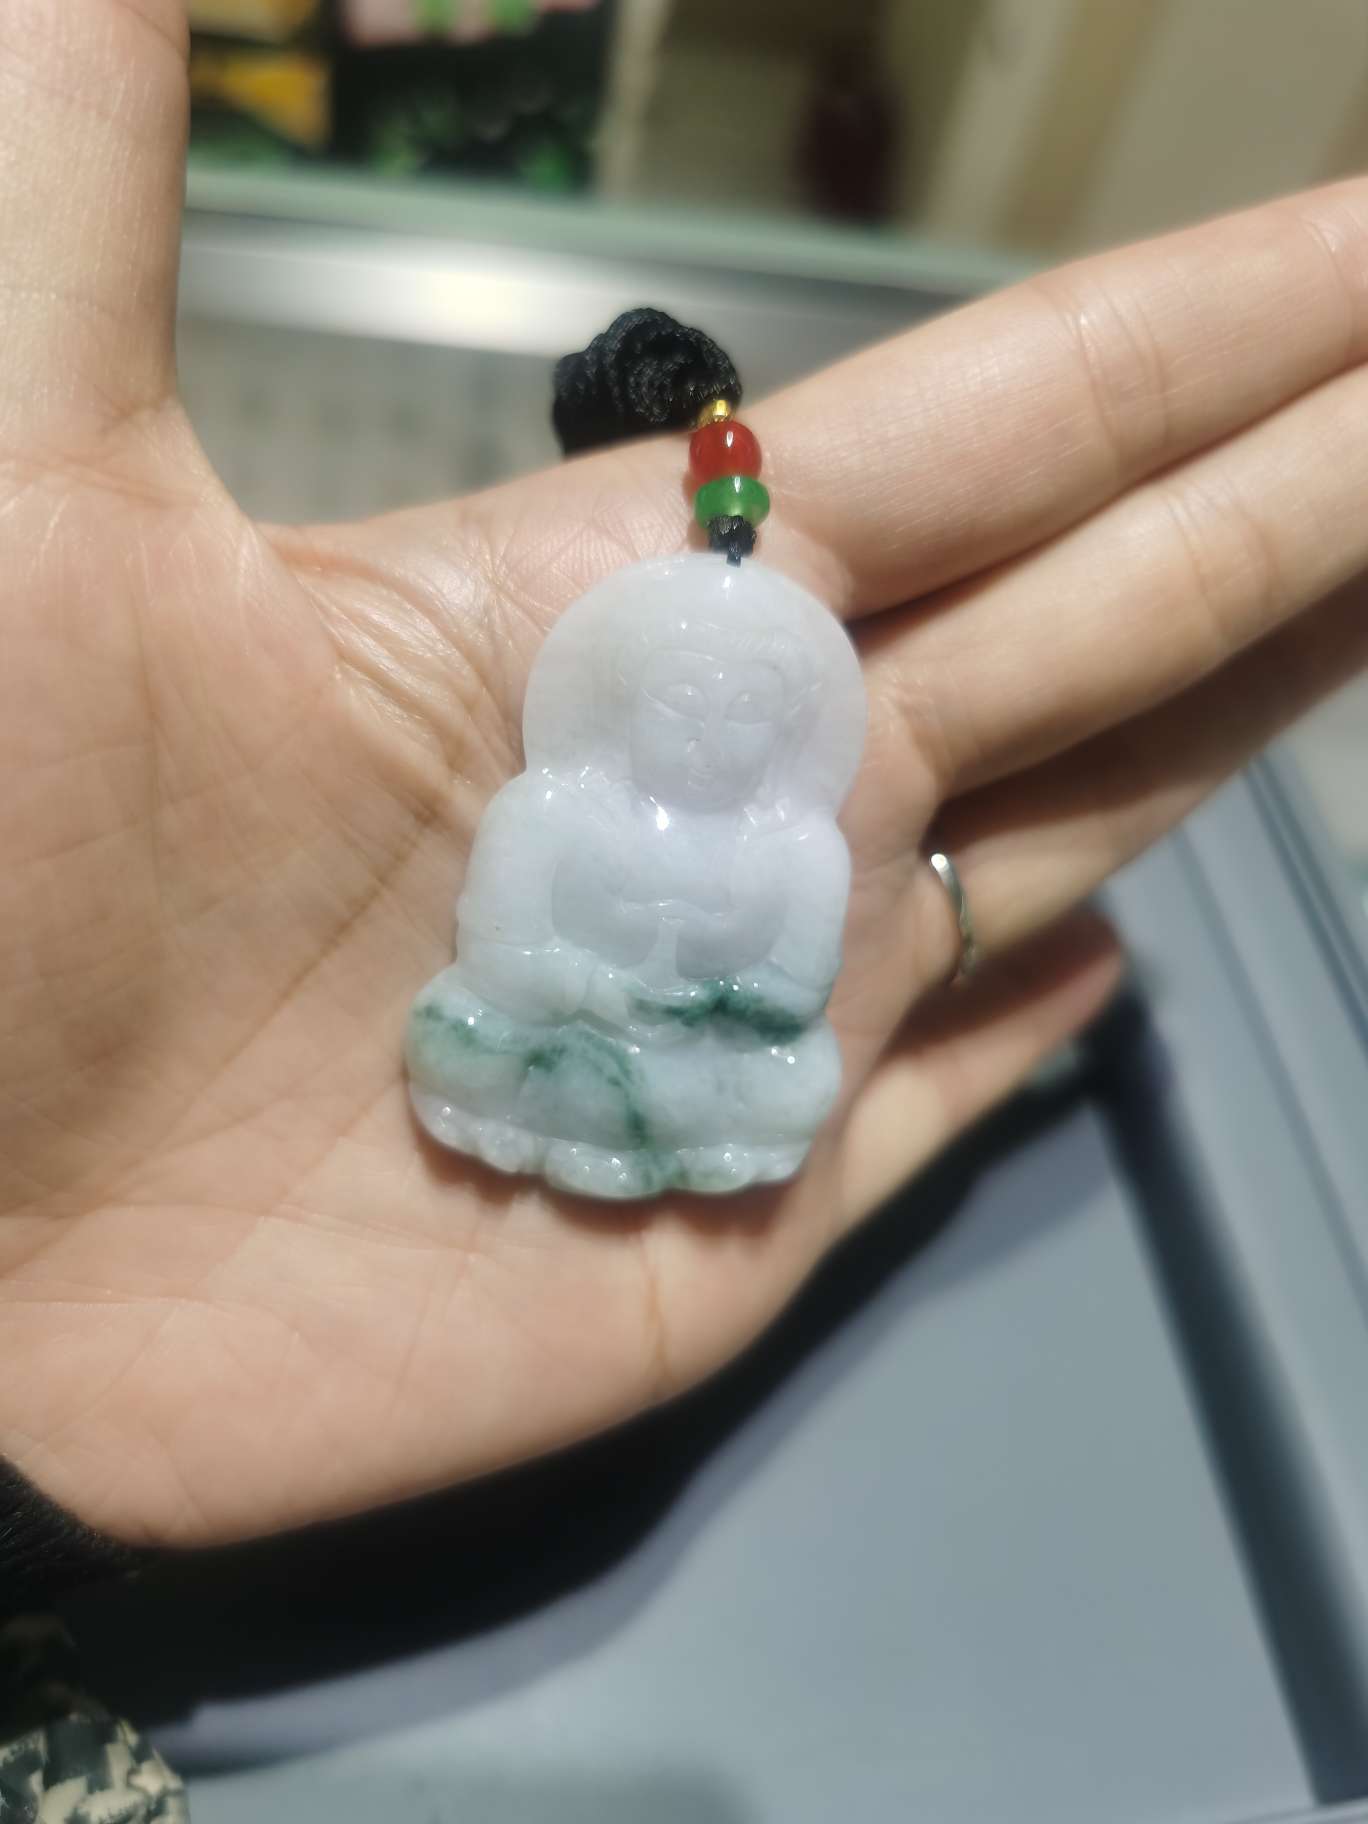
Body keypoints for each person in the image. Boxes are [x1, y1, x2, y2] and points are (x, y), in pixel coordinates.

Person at [2, 0, 1368, 1573]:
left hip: (702, 1073)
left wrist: (700, 1004)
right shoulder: (554, 808)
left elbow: (782, 999)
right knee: (472, 1033)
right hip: (544, 1038)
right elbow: (506, 953)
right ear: (620, 701)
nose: (711, 733)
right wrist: (580, 983)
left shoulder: (797, 851)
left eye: (744, 714)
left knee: (781, 1087)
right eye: (683, 702)